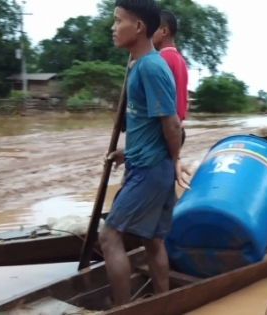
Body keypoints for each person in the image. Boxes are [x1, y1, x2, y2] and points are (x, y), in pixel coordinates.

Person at [100, 0, 189, 306]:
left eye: (117, 20)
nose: (113, 28)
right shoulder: (139, 65)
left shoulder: (150, 67)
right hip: (146, 164)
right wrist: (127, 152)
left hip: (149, 171)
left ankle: (124, 308)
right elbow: (150, 128)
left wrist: (172, 163)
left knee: (109, 237)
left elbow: (172, 124)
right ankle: (162, 302)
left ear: (138, 27)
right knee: (152, 240)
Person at [152, 10, 189, 147]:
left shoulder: (160, 60)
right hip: (179, 129)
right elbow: (185, 100)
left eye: (152, 28)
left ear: (164, 31)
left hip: (165, 132)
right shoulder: (180, 60)